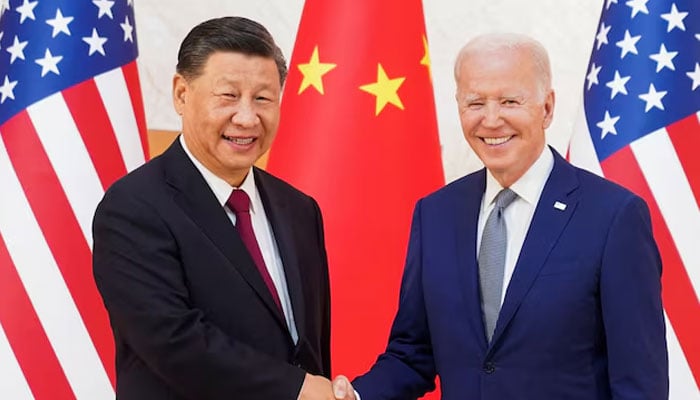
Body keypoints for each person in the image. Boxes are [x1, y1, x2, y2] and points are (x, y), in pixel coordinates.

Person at [332, 33, 668, 399]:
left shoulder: (614, 216)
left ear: (547, 107)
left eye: (510, 101)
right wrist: (356, 396)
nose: (491, 120)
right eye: (475, 103)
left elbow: (639, 384)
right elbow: (414, 354)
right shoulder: (436, 213)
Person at [93, 16, 336, 399]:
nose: (247, 117)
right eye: (228, 95)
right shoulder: (132, 207)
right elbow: (173, 342)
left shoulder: (299, 208)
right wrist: (296, 389)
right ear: (181, 93)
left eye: (263, 98)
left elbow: (309, 349)